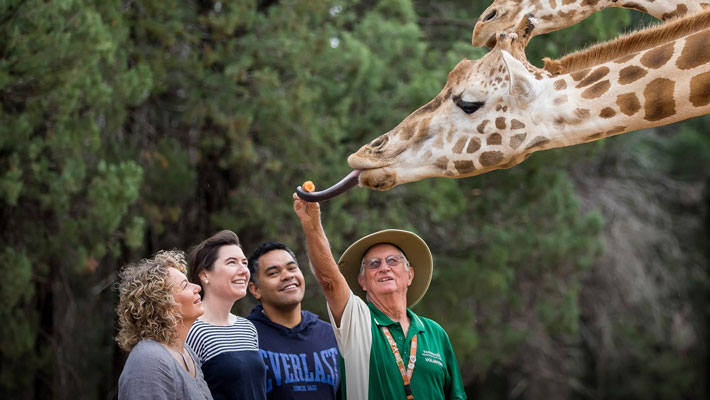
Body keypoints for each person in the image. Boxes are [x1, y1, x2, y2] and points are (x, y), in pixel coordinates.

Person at [293, 193, 467, 400]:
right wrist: (312, 223)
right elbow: (328, 280)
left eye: (393, 261)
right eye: (374, 264)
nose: (384, 268)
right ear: (362, 281)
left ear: (409, 275)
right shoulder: (357, 321)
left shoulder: (435, 333)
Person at [246, 241, 341, 399]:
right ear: (255, 289)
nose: (288, 276)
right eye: (273, 273)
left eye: (292, 268)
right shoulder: (245, 338)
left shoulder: (330, 335)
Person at [116, 250, 213, 400]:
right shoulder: (149, 360)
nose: (197, 287)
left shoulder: (188, 354)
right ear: (164, 305)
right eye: (185, 285)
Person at [185, 230, 267, 400]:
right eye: (231, 263)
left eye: (244, 263)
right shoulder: (192, 330)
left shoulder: (247, 328)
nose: (243, 270)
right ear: (204, 274)